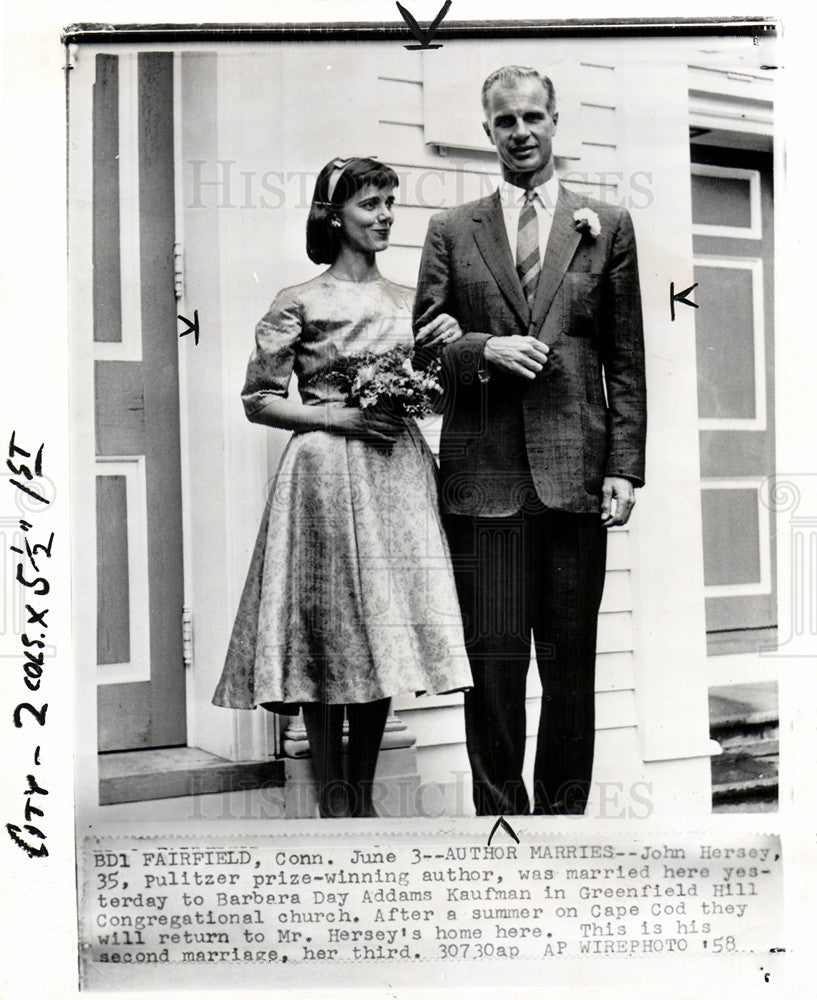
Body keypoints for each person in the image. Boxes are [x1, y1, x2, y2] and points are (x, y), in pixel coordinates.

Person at [413, 66, 647, 816]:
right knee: (494, 667)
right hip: (484, 485)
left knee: (571, 670)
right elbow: (420, 357)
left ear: (554, 122)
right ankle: (501, 838)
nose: (520, 132)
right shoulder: (451, 230)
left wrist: (624, 469)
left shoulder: (604, 225)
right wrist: (481, 347)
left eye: (532, 118)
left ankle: (565, 835)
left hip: (574, 479)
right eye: (505, 120)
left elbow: (624, 357)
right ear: (486, 131)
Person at [212, 157, 471, 818]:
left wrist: (437, 360)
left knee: (380, 626)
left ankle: (364, 800)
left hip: (393, 472)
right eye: (368, 204)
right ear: (334, 215)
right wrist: (337, 415)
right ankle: (334, 804)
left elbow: (433, 401)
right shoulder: (299, 300)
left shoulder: (409, 300)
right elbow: (259, 400)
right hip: (325, 473)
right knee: (329, 631)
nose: (384, 215)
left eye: (389, 201)